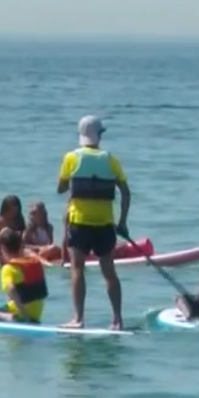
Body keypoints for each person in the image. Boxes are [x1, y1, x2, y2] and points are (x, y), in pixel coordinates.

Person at [56, 115, 130, 330]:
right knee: (109, 271)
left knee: (77, 269)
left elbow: (60, 188)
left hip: (80, 223)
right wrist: (122, 221)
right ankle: (117, 320)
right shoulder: (111, 159)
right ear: (99, 135)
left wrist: (71, 182)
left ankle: (78, 319)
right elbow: (125, 192)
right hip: (105, 224)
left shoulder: (71, 157)